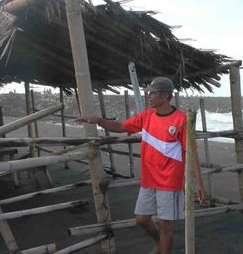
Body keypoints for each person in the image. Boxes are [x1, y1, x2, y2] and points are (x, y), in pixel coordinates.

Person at [76, 77, 205, 254]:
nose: (149, 96)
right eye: (149, 93)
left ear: (166, 95)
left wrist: (199, 183)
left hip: (170, 183)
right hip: (149, 180)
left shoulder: (181, 120)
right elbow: (121, 127)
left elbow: (192, 154)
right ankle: (159, 243)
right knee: (142, 219)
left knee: (166, 227)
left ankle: (163, 247)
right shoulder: (147, 116)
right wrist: (98, 120)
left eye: (153, 93)